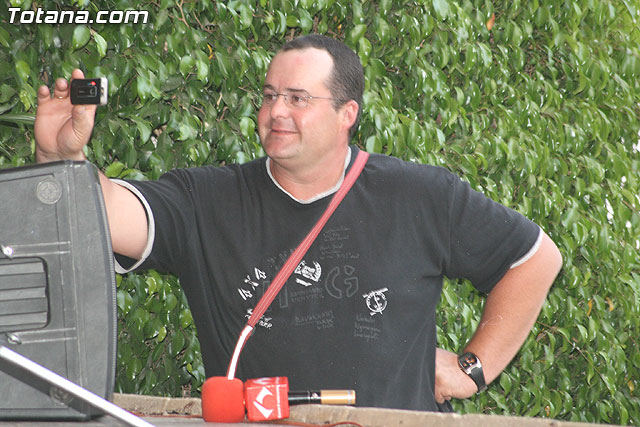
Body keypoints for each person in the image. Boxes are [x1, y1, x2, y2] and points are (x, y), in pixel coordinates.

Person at [34, 34, 562, 412]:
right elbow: (104, 215)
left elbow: (535, 259)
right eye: (269, 96)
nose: (276, 111)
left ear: (347, 114)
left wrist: (473, 369)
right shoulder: (206, 200)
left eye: (298, 98)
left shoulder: (420, 195)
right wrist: (61, 159)